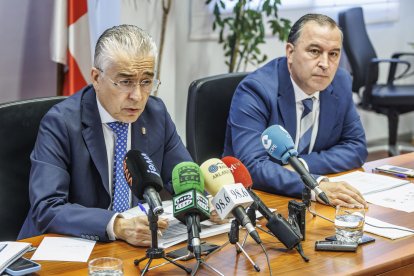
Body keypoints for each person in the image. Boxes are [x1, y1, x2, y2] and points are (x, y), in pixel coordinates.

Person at [18, 25, 192, 246]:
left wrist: (201, 203)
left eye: (146, 82)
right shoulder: (60, 123)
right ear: (96, 78)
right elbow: (47, 208)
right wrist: (116, 225)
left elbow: (183, 177)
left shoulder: (156, 115)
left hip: (131, 248)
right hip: (65, 248)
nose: (137, 96)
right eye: (126, 82)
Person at [223, 14, 368, 208]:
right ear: (290, 52)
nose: (325, 64)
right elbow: (253, 166)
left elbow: (356, 147)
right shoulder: (255, 90)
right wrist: (315, 185)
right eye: (315, 51)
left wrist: (302, 166)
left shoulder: (340, 82)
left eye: (333, 54)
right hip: (259, 203)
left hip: (310, 204)